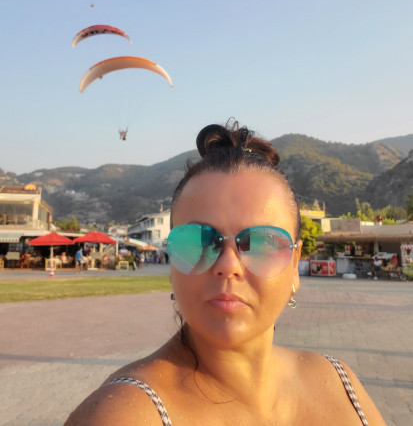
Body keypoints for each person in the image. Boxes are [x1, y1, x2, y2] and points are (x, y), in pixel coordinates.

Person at [65, 121, 385, 425]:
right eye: (199, 241)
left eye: (260, 243)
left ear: (295, 265)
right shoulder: (122, 415)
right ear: (173, 263)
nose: (228, 265)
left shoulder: (341, 382)